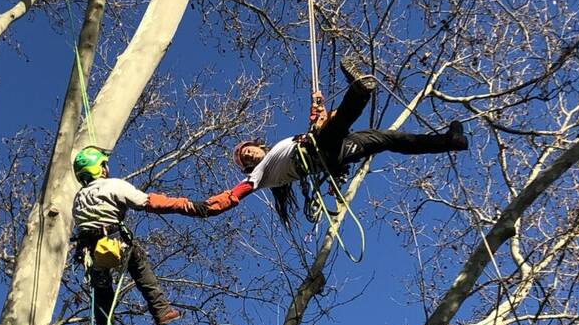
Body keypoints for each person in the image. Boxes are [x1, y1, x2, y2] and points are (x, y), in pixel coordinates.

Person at [201, 54, 469, 225]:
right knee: (338, 124)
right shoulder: (260, 174)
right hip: (316, 154)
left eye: (247, 150)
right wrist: (217, 203)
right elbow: (241, 190)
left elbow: (318, 126)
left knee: (387, 139)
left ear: (257, 146)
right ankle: (360, 90)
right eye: (246, 159)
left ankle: (449, 141)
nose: (248, 155)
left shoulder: (281, 146)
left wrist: (318, 110)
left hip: (332, 151)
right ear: (251, 166)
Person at [72, 146, 207, 325]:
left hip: (92, 250)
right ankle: (161, 311)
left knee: (102, 295)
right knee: (141, 269)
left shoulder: (78, 198)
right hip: (115, 241)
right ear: (100, 169)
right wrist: (183, 204)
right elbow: (146, 201)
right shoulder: (113, 185)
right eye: (104, 165)